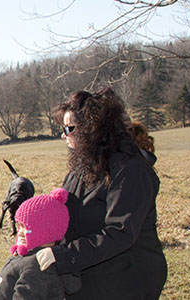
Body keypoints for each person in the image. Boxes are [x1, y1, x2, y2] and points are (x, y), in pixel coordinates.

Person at [36, 87, 167, 299]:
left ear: (93, 129)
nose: (63, 135)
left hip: (127, 280)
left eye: (69, 128)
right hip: (90, 275)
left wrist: (64, 256)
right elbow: (66, 217)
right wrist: (34, 236)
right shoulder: (82, 169)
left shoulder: (130, 170)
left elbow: (119, 233)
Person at [0, 188, 82, 300]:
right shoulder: (28, 258)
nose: (20, 232)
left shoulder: (36, 268)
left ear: (45, 230)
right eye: (19, 226)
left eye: (25, 227)